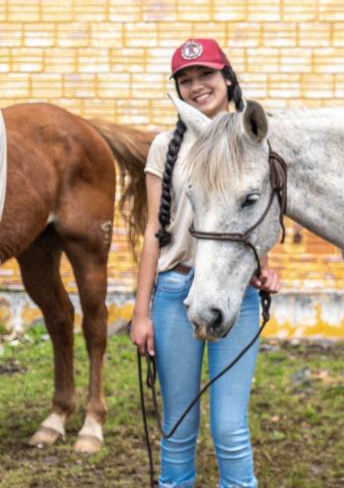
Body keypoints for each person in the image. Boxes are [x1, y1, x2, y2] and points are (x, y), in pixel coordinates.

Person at [130, 38, 280, 488]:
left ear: (226, 78)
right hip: (175, 294)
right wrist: (140, 313)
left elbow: (254, 214)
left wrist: (265, 267)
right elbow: (154, 236)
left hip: (236, 296)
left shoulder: (250, 136)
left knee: (230, 429)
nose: (197, 86)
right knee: (177, 427)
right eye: (186, 79)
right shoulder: (164, 146)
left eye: (206, 75)